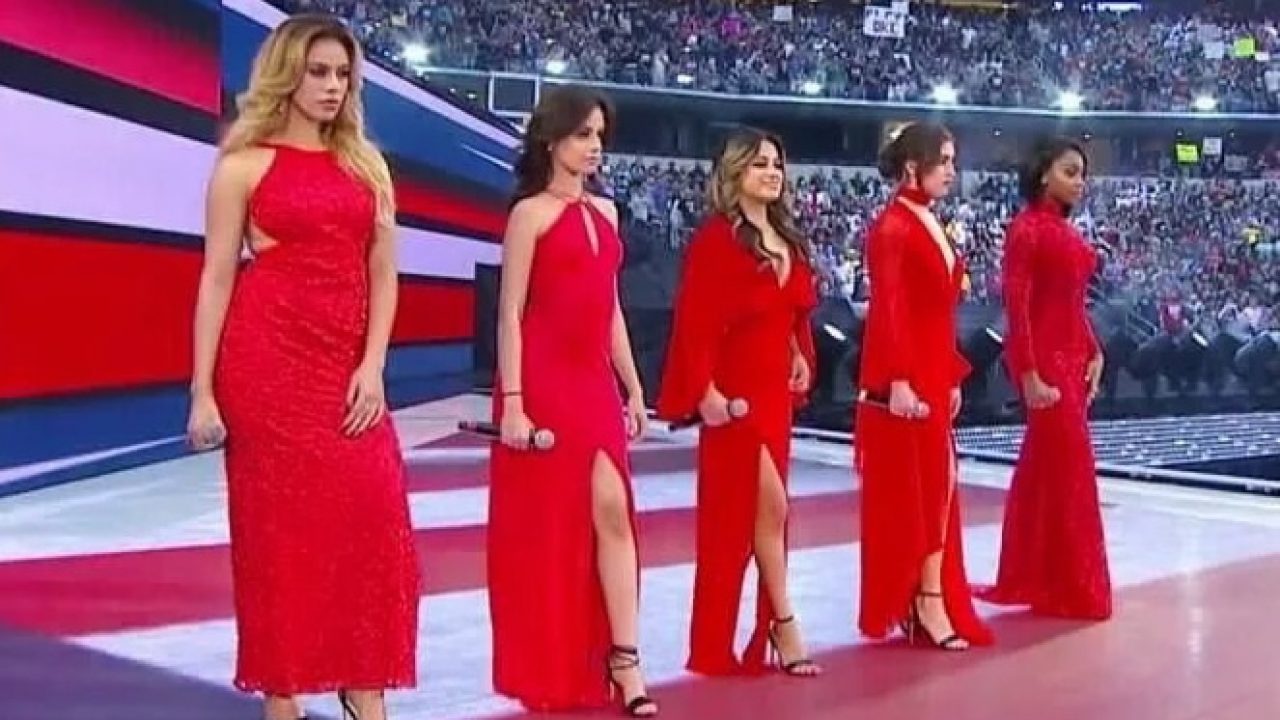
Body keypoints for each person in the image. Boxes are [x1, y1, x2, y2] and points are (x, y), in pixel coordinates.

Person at [186, 14, 419, 720]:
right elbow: (217, 279)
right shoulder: (242, 165)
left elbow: (384, 273)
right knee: (277, 542)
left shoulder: (366, 165)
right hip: (266, 368)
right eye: (318, 72)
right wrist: (203, 391)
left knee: (374, 525)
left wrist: (373, 365)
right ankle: (281, 698)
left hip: (347, 367)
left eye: (343, 74)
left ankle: (364, 688)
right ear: (287, 74)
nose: (332, 86)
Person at [486, 85, 657, 717]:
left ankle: (625, 658)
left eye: (600, 135)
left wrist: (633, 386)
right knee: (552, 528)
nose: (595, 146)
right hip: (542, 378)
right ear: (551, 139)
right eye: (583, 134)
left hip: (592, 381)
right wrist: (514, 401)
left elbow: (610, 309)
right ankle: (559, 661)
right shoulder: (528, 215)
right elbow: (510, 315)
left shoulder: (606, 212)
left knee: (614, 511)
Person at [656, 128, 821, 678]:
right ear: (734, 174)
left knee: (769, 513)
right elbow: (695, 321)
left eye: (776, 164)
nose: (772, 173)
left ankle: (772, 624)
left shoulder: (787, 238)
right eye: (758, 165)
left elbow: (791, 314)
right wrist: (704, 390)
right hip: (735, 397)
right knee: (746, 516)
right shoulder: (716, 240)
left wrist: (799, 355)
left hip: (774, 392)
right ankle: (775, 626)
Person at [855, 122, 993, 651]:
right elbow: (889, 308)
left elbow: (935, 310)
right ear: (914, 164)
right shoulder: (893, 227)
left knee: (939, 485)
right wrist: (898, 380)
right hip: (910, 375)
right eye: (945, 160)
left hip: (933, 370)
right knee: (925, 491)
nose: (953, 171)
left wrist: (950, 374)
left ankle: (927, 597)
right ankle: (926, 599)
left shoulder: (928, 220)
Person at [977, 137, 1112, 620]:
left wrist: (1094, 350)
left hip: (1073, 358)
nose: (1080, 182)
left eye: (1082, 174)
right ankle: (1072, 586)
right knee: (1071, 470)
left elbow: (1072, 303)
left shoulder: (1062, 230)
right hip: (1047, 364)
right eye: (1070, 172)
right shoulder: (1027, 229)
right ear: (1042, 174)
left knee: (1044, 471)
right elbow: (1018, 307)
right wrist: (1029, 374)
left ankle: (1036, 577)